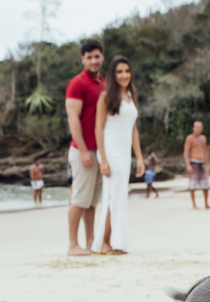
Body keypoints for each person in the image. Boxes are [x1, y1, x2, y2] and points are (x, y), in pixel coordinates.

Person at [93, 55, 145, 254]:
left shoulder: (130, 96)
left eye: (127, 71)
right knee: (112, 196)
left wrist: (139, 157)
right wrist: (103, 160)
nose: (124, 75)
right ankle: (105, 243)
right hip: (110, 151)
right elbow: (98, 128)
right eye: (120, 72)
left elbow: (133, 130)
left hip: (124, 152)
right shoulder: (106, 97)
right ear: (113, 75)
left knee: (119, 196)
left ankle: (115, 242)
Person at [65, 39, 105, 256]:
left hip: (98, 151)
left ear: (102, 57)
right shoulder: (77, 83)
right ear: (82, 59)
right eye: (89, 57)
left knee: (91, 202)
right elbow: (73, 118)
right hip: (83, 150)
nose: (93, 60)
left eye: (97, 56)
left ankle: (90, 241)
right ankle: (73, 244)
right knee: (79, 199)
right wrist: (82, 150)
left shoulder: (102, 84)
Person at [183, 120, 210, 209]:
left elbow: (205, 151)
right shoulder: (190, 138)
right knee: (192, 185)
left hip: (202, 162)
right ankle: (194, 204)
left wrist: (207, 165)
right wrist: (188, 165)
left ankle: (206, 203)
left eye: (200, 127)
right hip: (194, 162)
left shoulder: (203, 138)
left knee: (205, 185)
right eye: (197, 127)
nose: (198, 129)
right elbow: (186, 152)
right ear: (193, 128)